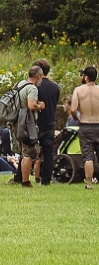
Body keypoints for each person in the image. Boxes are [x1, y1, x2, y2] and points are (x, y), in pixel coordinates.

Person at [14, 62, 46, 187]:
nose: (42, 79)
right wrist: (40, 106)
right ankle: (25, 181)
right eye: (41, 77)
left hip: (18, 121)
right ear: (38, 76)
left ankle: (23, 179)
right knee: (28, 153)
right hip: (27, 122)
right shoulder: (32, 88)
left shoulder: (20, 84)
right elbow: (31, 105)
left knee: (23, 152)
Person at [67, 65, 99, 190]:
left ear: (86, 77)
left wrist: (76, 118)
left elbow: (73, 109)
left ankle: (89, 183)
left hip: (85, 124)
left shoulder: (79, 90)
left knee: (88, 155)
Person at [35, 60, 62, 188]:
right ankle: (46, 179)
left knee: (28, 152)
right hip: (50, 122)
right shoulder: (55, 87)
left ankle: (21, 177)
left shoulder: (35, 86)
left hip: (36, 123)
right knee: (48, 153)